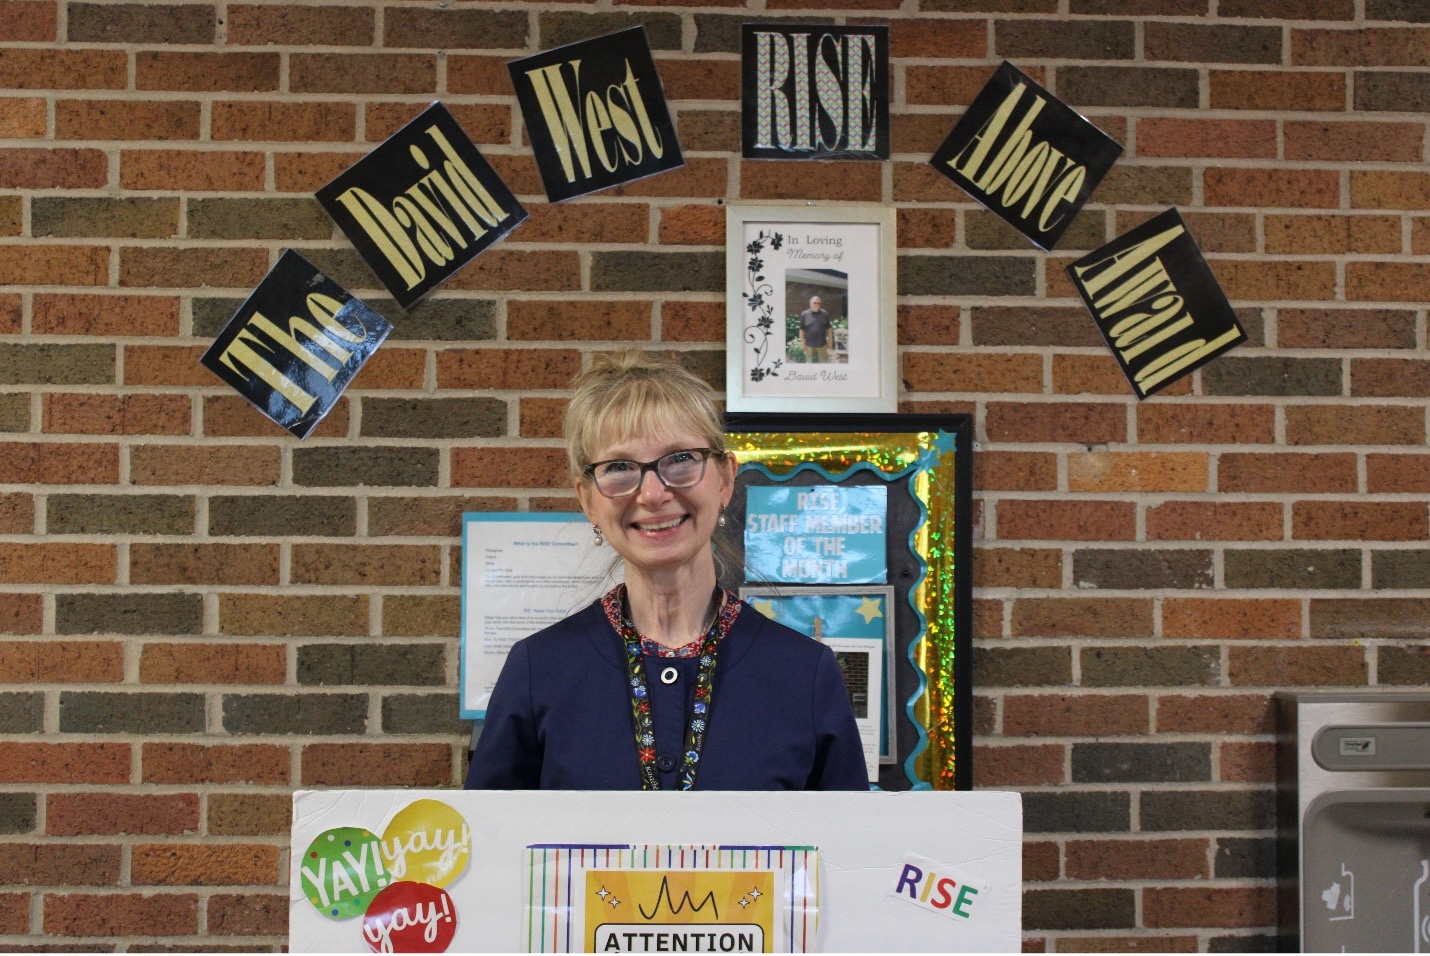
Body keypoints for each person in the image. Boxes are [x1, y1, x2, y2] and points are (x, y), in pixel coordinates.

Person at [465, 351, 868, 791]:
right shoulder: (538, 671)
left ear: (725, 480)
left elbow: (848, 853)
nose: (654, 494)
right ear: (587, 500)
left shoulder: (805, 675)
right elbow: (493, 849)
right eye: (619, 468)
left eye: (680, 459)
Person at [798, 295, 833, 363]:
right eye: (814, 303)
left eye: (818, 303)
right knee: (809, 363)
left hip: (822, 344)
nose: (816, 305)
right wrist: (803, 343)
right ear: (810, 303)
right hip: (809, 345)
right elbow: (801, 330)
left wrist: (830, 341)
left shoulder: (825, 314)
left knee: (823, 363)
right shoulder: (805, 314)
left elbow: (829, 329)